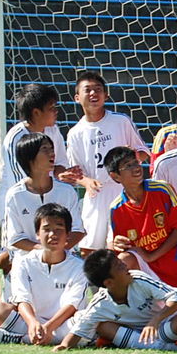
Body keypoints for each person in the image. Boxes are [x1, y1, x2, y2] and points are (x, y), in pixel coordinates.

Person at [65, 71, 149, 251]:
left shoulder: (121, 121)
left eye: (98, 89)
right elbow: (75, 172)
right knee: (90, 247)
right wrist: (86, 181)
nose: (94, 94)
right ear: (77, 97)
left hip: (122, 189)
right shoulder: (75, 133)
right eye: (88, 90)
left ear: (106, 95)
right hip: (96, 194)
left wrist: (131, 159)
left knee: (121, 246)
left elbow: (143, 152)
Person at [54, 249, 177, 351]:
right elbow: (79, 330)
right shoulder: (100, 304)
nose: (125, 265)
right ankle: (161, 346)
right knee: (102, 326)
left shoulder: (139, 279)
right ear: (108, 283)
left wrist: (155, 320)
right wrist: (64, 346)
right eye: (119, 266)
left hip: (159, 328)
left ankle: (149, 344)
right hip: (132, 334)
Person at [0, 203, 89, 346]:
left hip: (64, 323)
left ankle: (22, 339)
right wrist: (32, 323)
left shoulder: (79, 266)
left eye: (59, 229)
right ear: (37, 234)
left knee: (86, 317)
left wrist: (49, 327)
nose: (53, 235)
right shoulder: (23, 262)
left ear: (68, 234)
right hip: (31, 323)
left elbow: (72, 305)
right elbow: (22, 299)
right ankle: (50, 338)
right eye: (46, 229)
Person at [105, 147, 177, 292]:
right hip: (143, 267)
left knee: (174, 314)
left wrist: (152, 256)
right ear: (115, 176)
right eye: (128, 166)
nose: (136, 168)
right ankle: (120, 309)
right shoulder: (116, 209)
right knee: (121, 261)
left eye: (136, 162)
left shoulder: (162, 189)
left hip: (170, 266)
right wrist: (116, 245)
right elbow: (119, 249)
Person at [1, 132, 85, 261]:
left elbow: (78, 230)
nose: (52, 153)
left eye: (52, 149)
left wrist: (58, 252)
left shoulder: (66, 191)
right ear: (29, 156)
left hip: (64, 261)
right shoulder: (15, 195)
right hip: (28, 262)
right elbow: (15, 238)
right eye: (45, 149)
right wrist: (44, 251)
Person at [0, 82, 77, 204]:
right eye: (51, 108)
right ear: (36, 113)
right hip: (22, 204)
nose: (56, 111)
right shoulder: (15, 138)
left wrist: (62, 174)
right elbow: (21, 182)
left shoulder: (53, 130)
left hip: (49, 199)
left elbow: (60, 162)